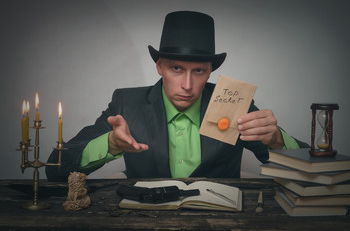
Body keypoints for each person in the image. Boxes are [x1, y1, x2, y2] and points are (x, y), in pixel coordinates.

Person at [46, 11, 308, 182]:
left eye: (199, 71)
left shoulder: (232, 103)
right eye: (176, 68)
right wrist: (110, 145)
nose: (187, 85)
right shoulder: (127, 104)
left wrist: (276, 140)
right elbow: (55, 169)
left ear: (210, 72)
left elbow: (309, 172)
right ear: (159, 67)